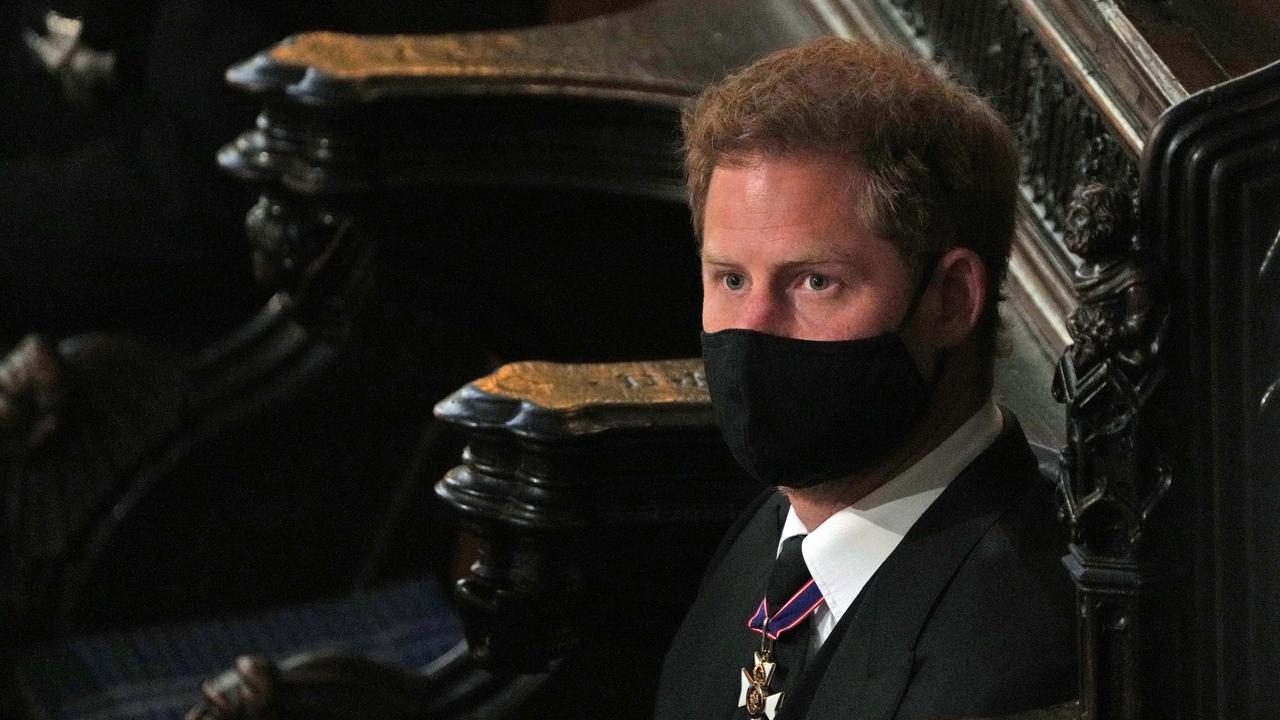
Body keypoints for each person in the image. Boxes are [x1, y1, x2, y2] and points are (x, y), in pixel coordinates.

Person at [656, 38, 1076, 720]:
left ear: (949, 301)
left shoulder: (1018, 659)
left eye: (816, 282)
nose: (753, 327)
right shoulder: (772, 530)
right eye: (731, 279)